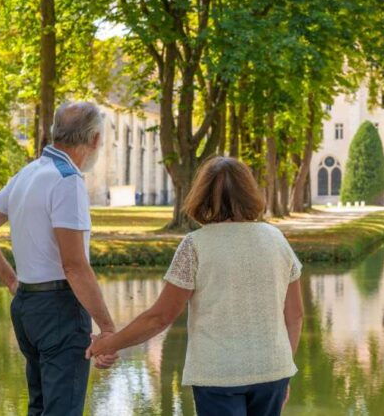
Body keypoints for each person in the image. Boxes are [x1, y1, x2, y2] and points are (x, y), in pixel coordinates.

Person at [86, 156, 305, 416]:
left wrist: (109, 344)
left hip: (218, 376)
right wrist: (285, 368)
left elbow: (160, 317)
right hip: (273, 372)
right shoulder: (276, 239)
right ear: (250, 193)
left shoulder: (195, 245)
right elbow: (296, 315)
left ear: (201, 195)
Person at [0, 102, 117, 415]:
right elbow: (74, 266)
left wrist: (12, 282)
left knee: (40, 407)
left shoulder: (28, 173)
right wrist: (108, 328)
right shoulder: (67, 180)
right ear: (94, 140)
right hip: (60, 309)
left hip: (27, 307)